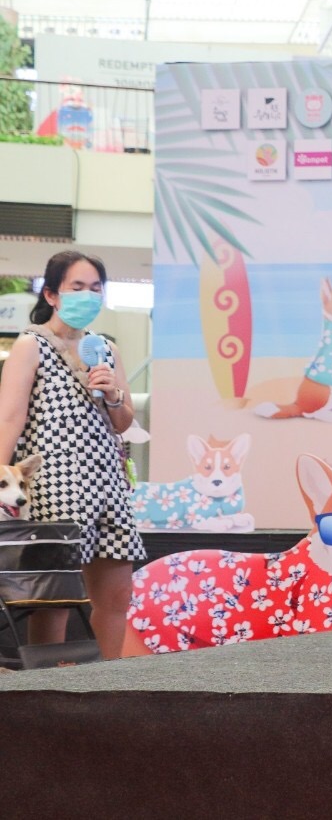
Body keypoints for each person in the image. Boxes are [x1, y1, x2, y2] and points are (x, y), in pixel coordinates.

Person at [0, 250, 143, 660]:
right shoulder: (31, 344)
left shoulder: (106, 349)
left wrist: (113, 394)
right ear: (52, 294)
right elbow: (9, 418)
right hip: (54, 485)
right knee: (54, 596)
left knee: (116, 593)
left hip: (107, 483)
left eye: (96, 288)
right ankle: (47, 687)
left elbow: (123, 422)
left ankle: (109, 682)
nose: (88, 295)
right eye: (77, 287)